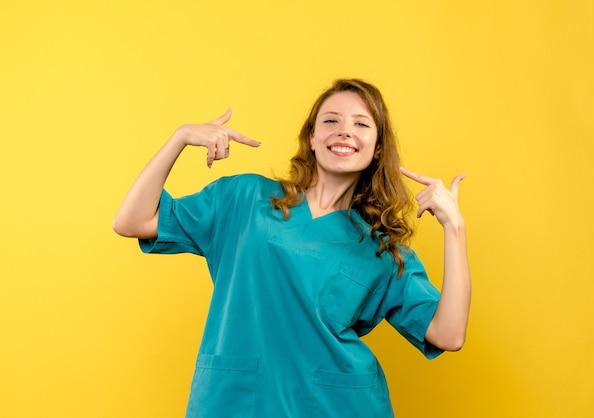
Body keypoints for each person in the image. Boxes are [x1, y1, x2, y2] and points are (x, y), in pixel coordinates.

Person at [112, 78, 471, 417]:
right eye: (331, 120)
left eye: (361, 124)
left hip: (337, 405)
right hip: (237, 402)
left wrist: (454, 227)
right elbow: (131, 221)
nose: (344, 130)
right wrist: (179, 138)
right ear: (312, 139)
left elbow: (449, 334)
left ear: (377, 149)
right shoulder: (244, 198)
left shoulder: (380, 249)